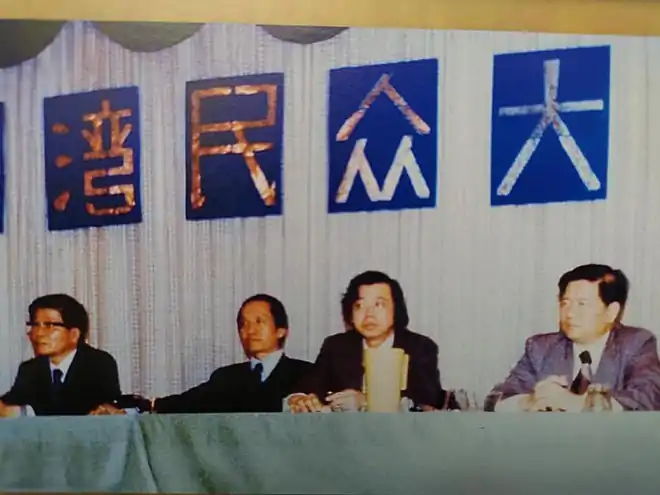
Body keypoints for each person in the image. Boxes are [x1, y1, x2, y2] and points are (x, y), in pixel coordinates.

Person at [490, 264, 660, 412]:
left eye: (582, 304)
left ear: (611, 311)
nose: (569, 313)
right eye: (565, 303)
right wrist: (529, 401)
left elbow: (647, 398)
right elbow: (496, 399)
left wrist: (577, 403)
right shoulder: (540, 348)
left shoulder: (636, 343)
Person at [288, 270, 444, 413]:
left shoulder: (419, 346)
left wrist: (367, 401)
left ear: (396, 310)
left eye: (379, 304)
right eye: (359, 305)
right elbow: (310, 385)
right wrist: (299, 398)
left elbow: (427, 400)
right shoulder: (336, 346)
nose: (369, 314)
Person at [136, 294, 312, 414]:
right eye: (243, 324)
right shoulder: (226, 377)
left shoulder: (307, 374)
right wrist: (143, 405)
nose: (250, 330)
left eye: (259, 322)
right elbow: (188, 402)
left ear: (281, 330)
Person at [0, 293, 121, 417]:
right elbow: (10, 402)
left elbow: (99, 407)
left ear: (74, 334)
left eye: (49, 325)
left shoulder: (98, 364)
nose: (38, 333)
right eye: (35, 325)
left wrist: (23, 412)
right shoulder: (30, 369)